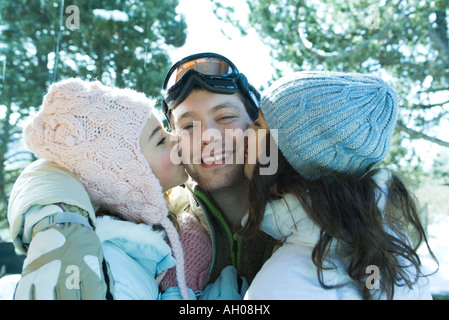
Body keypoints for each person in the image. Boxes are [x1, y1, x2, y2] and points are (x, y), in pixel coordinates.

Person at [10, 78, 213, 300]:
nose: (177, 140)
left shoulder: (159, 231)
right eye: (160, 140)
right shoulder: (111, 262)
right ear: (127, 173)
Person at [241, 71, 437, 299]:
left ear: (287, 161)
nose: (246, 131)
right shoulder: (399, 264)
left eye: (258, 124)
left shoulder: (281, 284)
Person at [161, 52, 276, 293]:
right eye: (188, 126)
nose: (208, 137)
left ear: (258, 124)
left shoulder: (313, 215)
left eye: (225, 117)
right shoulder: (162, 232)